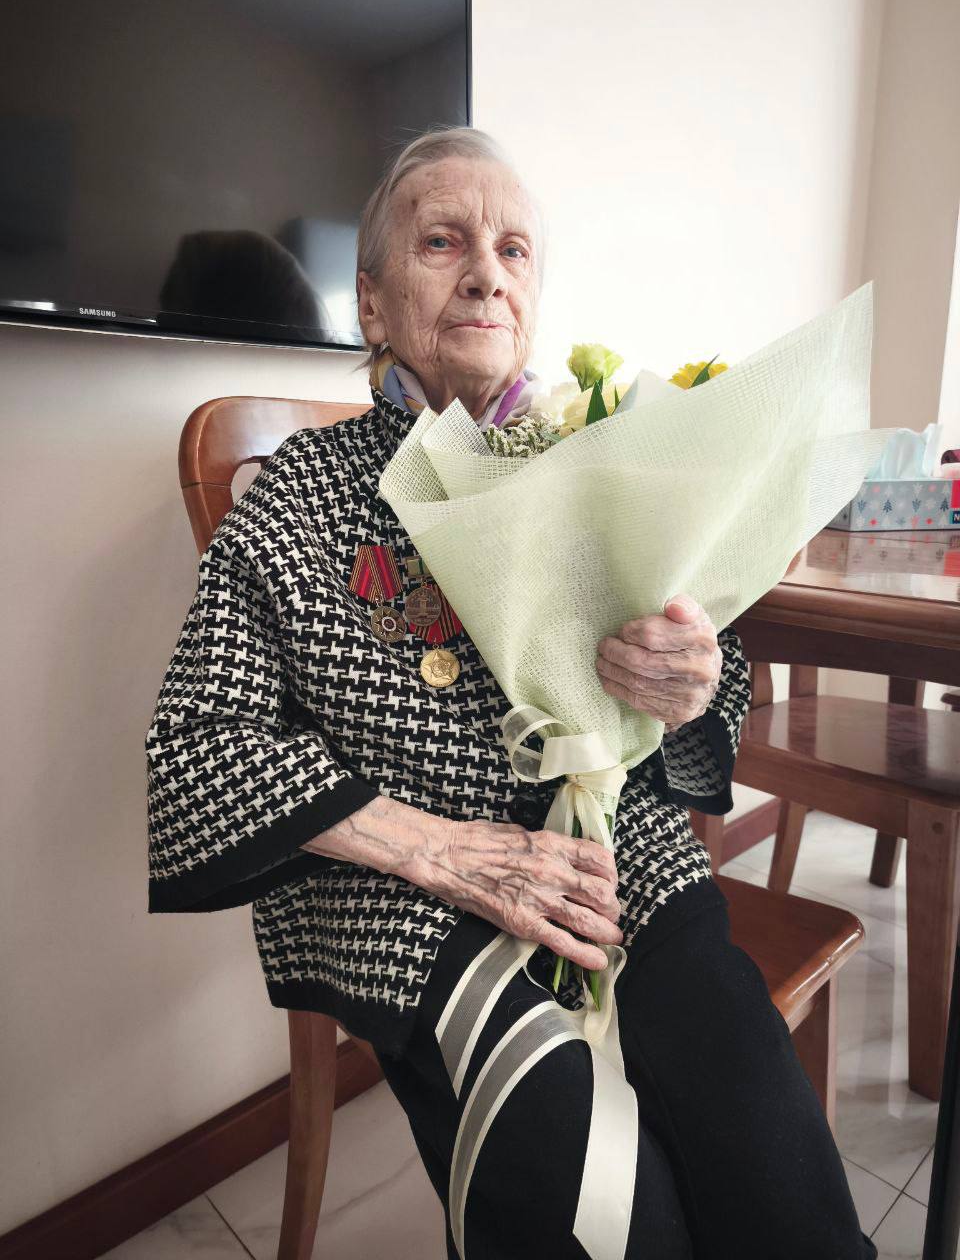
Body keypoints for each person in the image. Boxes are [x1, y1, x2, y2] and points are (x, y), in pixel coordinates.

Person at [145, 124, 877, 1258]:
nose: (488, 271)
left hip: (618, 862)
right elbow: (195, 749)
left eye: (515, 249)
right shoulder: (297, 497)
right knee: (613, 1210)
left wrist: (686, 680)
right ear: (374, 302)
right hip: (410, 898)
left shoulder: (586, 456)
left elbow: (716, 670)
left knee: (773, 1163)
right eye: (444, 241)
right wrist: (443, 850)